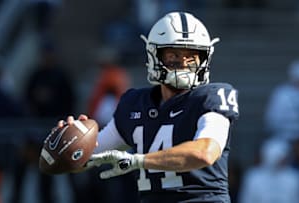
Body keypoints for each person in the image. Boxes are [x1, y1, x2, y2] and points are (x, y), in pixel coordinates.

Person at [54, 11, 239, 202]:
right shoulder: (135, 104)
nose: (184, 64)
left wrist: (138, 161)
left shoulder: (211, 97)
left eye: (192, 57)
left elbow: (205, 152)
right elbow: (88, 157)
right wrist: (69, 143)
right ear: (154, 55)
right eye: (174, 55)